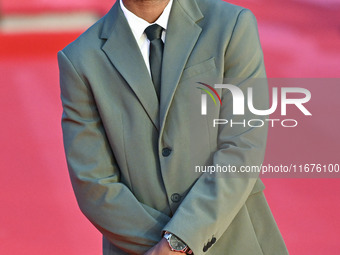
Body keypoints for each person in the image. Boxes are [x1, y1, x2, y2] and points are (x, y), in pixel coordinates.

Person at [58, 0, 289, 254]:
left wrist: (181, 240)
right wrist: (166, 248)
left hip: (238, 239)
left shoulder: (231, 24)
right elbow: (93, 182)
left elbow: (243, 146)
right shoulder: (80, 58)